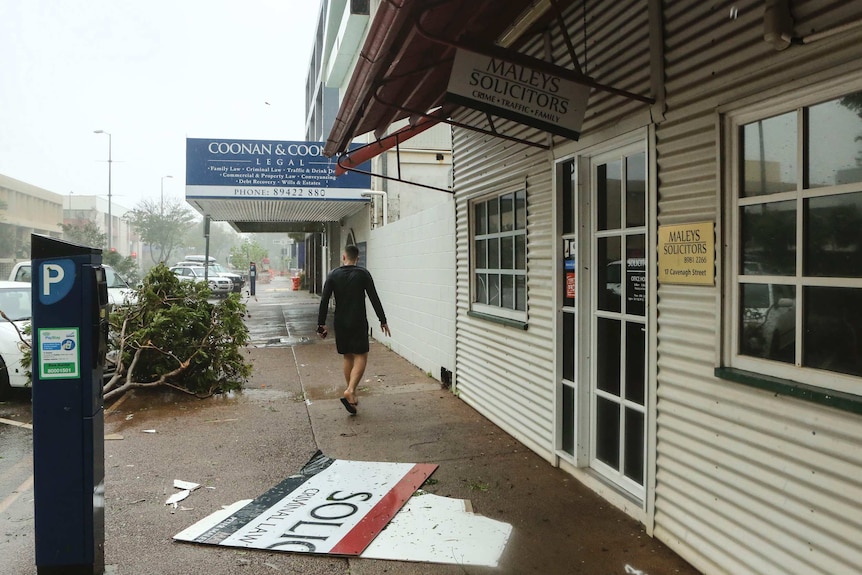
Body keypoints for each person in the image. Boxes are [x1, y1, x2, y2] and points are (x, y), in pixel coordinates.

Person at [317, 244, 390, 415]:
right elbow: (374, 297)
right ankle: (350, 390)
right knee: (361, 356)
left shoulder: (333, 275)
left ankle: (352, 393)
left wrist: (321, 324)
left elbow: (324, 300)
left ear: (344, 257)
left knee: (348, 356)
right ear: (358, 258)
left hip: (340, 322)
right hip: (358, 321)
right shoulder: (363, 274)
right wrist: (383, 320)